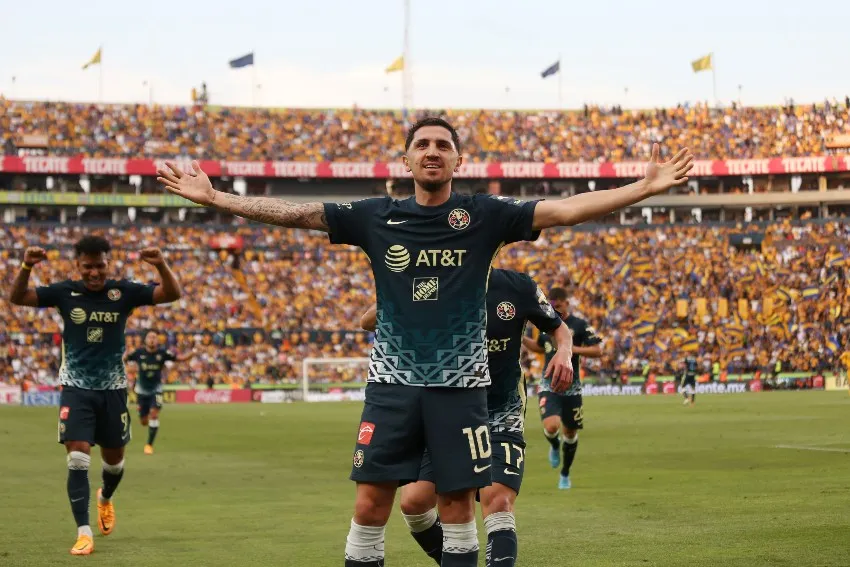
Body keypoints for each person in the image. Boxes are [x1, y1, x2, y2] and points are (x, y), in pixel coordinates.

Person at [157, 117, 693, 567]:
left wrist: (642, 188)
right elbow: (300, 213)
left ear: (458, 161)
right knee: (370, 504)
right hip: (391, 385)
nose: (432, 152)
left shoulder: (484, 215)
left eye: (443, 145)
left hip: (461, 389)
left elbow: (565, 209)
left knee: (458, 506)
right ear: (406, 161)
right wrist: (217, 199)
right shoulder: (375, 216)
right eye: (422, 145)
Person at [361, 268, 573, 567]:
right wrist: (410, 288)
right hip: (449, 410)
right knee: (414, 505)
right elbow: (367, 322)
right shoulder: (436, 280)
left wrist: (564, 352)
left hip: (501, 410)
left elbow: (558, 327)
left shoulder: (518, 287)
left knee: (497, 502)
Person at [6, 236, 182, 556]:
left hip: (114, 390)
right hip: (76, 388)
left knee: (113, 464)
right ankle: (83, 532)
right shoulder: (63, 292)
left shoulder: (123, 292)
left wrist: (160, 264)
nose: (94, 272)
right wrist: (27, 265)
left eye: (99, 265)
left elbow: (172, 293)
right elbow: (17, 297)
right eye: (88, 266)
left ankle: (105, 499)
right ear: (78, 265)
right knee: (77, 457)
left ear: (107, 263)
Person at [523, 286, 602, 489]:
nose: (555, 307)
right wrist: (520, 336)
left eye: (558, 304)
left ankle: (565, 474)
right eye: (552, 305)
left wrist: (569, 347)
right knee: (551, 427)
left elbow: (597, 350)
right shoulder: (546, 323)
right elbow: (539, 347)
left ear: (566, 303)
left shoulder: (580, 325)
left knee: (570, 433)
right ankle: (554, 446)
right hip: (549, 384)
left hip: (572, 387)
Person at [123, 330, 193, 454]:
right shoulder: (139, 353)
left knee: (154, 414)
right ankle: (144, 416)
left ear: (157, 340)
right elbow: (124, 359)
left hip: (156, 390)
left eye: (154, 337)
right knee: (143, 420)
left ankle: (149, 445)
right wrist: (126, 362)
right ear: (145, 340)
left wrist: (193, 352)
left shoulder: (163, 353)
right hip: (142, 391)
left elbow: (180, 359)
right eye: (150, 337)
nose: (152, 339)